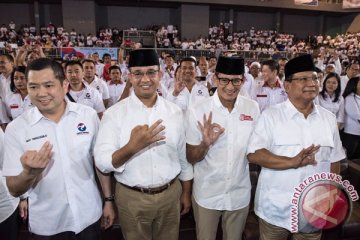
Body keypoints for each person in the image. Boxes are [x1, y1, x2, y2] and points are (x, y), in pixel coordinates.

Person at [2, 58, 115, 239]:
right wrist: (30, 173)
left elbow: (99, 163)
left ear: (64, 85)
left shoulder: (88, 116)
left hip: (89, 215)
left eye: (48, 85)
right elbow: (14, 189)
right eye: (33, 87)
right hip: (48, 225)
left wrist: (108, 200)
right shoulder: (17, 129)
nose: (41, 93)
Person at [94, 49, 193, 240]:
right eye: (138, 73)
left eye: (151, 72)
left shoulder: (174, 112)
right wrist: (132, 147)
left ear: (160, 75)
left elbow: (182, 157)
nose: (145, 79)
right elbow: (102, 162)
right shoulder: (114, 114)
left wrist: (186, 192)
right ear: (130, 77)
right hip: (132, 197)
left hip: (170, 194)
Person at [247, 54, 345, 240]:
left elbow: (335, 160)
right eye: (304, 79)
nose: (312, 83)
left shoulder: (328, 119)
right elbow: (254, 154)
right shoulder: (271, 116)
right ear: (287, 86)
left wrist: (333, 194)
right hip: (275, 208)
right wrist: (291, 161)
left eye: (315, 78)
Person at [186, 56, 260, 240]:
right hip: (207, 193)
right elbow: (190, 157)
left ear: (243, 80)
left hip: (239, 193)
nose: (230, 86)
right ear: (215, 79)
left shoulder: (252, 108)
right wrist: (205, 144)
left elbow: (256, 150)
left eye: (236, 80)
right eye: (224, 80)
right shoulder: (198, 110)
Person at [341, 76, 360, 160]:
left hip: (358, 134)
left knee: (356, 159)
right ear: (355, 85)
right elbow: (356, 115)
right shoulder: (349, 98)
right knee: (347, 158)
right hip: (351, 134)